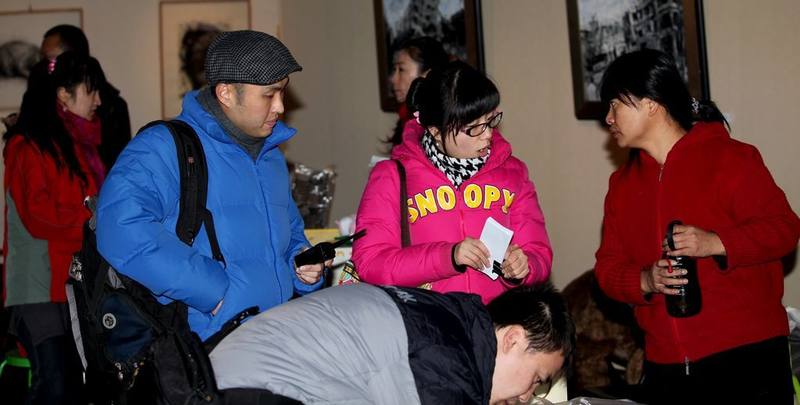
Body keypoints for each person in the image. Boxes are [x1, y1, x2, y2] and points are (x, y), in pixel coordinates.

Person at [594, 49, 800, 404]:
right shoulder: (621, 186)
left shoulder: (731, 158)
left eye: (615, 105)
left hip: (748, 362)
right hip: (666, 368)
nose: (608, 118)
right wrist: (646, 280)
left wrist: (715, 243)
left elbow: (784, 229)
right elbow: (607, 268)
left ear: (651, 104)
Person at [96, 30, 326, 342]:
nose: (280, 107)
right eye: (269, 95)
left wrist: (303, 268)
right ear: (226, 93)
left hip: (275, 335)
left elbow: (291, 235)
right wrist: (212, 293)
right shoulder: (163, 147)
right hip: (204, 344)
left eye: (283, 92)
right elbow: (119, 227)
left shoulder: (270, 155)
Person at [353, 61, 553, 304]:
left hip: (495, 320)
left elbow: (539, 253)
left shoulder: (513, 173)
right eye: (473, 128)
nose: (488, 134)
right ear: (435, 130)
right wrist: (448, 257)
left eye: (490, 120)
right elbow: (371, 263)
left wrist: (524, 266)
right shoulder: (392, 176)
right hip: (428, 319)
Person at [210, 283, 574, 404]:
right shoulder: (450, 368)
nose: (527, 397)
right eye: (537, 379)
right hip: (251, 393)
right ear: (513, 339)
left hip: (229, 378)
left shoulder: (446, 318)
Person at [3, 51, 107, 405]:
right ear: (63, 95)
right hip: (38, 288)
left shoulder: (80, 147)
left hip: (72, 283)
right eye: (91, 90)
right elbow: (39, 216)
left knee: (73, 388)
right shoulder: (27, 146)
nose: (98, 100)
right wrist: (95, 220)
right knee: (55, 386)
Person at [18, 24, 131, 170]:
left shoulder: (112, 107)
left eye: (51, 61)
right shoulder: (37, 96)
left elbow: (121, 167)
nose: (44, 67)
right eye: (42, 60)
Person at [385, 36, 448, 149]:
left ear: (427, 75)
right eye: (394, 69)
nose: (392, 79)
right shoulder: (405, 116)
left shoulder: (438, 126)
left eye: (401, 69)